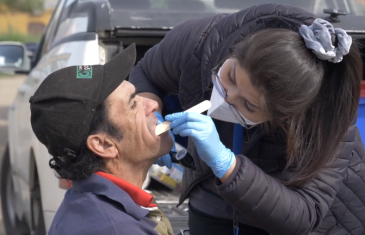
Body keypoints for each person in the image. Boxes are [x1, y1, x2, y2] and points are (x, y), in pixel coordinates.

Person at [129, 3, 365, 235]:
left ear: (284, 115)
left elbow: (303, 216)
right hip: (209, 201)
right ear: (236, 50)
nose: (227, 96)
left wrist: (225, 163)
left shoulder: (327, 112)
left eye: (249, 105)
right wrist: (150, 116)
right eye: (230, 76)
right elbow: (148, 73)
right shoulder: (204, 40)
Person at [29, 44, 174, 235]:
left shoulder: (93, 203)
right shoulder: (117, 229)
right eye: (133, 104)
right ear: (104, 144)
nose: (153, 104)